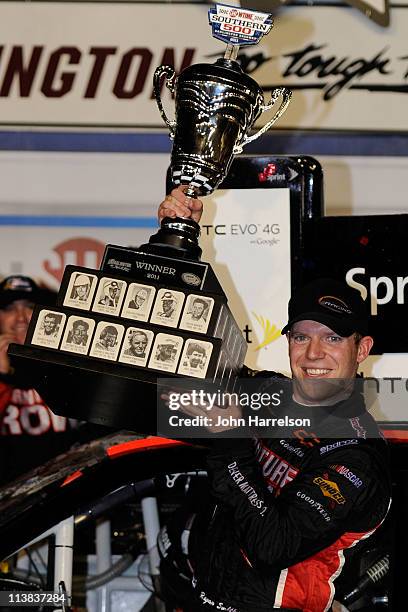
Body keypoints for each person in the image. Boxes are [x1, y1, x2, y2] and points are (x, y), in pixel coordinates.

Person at [156, 187, 392, 612]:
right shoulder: (268, 394)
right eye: (301, 337)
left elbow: (272, 544)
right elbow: (176, 364)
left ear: (362, 349)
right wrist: (177, 238)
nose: (313, 354)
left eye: (332, 339)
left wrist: (230, 434)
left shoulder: (356, 454)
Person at [0, 275, 80, 485]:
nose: (20, 317)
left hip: (66, 496)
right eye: (9, 308)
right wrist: (2, 377)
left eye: (29, 306)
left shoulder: (67, 363)